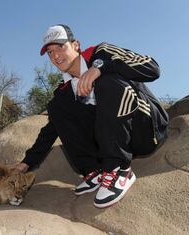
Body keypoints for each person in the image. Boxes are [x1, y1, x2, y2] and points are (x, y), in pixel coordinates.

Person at [14, 24, 168, 208]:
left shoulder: (101, 52)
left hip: (146, 129)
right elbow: (50, 131)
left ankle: (118, 170)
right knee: (57, 106)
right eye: (50, 52)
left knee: (107, 81)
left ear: (76, 45)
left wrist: (100, 68)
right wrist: (25, 163)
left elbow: (152, 68)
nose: (55, 56)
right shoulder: (65, 89)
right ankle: (95, 172)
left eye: (60, 47)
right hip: (118, 142)